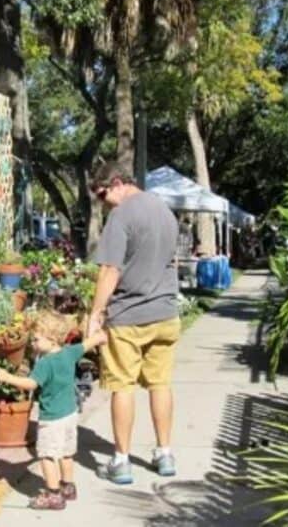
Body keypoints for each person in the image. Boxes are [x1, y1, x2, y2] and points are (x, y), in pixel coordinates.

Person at [86, 162, 181, 485]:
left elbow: (109, 269)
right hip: (166, 312)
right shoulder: (164, 210)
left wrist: (95, 313)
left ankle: (121, 460)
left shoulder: (122, 215)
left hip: (128, 315)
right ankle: (165, 452)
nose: (102, 203)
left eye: (102, 195)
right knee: (160, 383)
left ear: (115, 183)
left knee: (122, 387)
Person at [0, 311, 107, 510]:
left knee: (47, 455)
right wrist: (100, 336)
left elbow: (30, 384)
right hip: (70, 414)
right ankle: (68, 487)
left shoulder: (45, 364)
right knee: (66, 453)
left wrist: (6, 377)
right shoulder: (69, 352)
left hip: (52, 418)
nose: (33, 344)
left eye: (36, 339)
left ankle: (53, 494)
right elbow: (88, 344)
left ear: (52, 339)